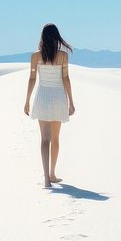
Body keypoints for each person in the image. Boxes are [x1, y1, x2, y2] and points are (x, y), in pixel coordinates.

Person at [24, 23, 76, 188]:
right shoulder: (63, 56)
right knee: (55, 138)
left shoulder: (35, 56)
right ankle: (52, 174)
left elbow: (32, 78)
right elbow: (66, 78)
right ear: (56, 37)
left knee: (44, 139)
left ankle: (47, 179)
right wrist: (71, 102)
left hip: (43, 98)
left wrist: (27, 100)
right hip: (59, 98)